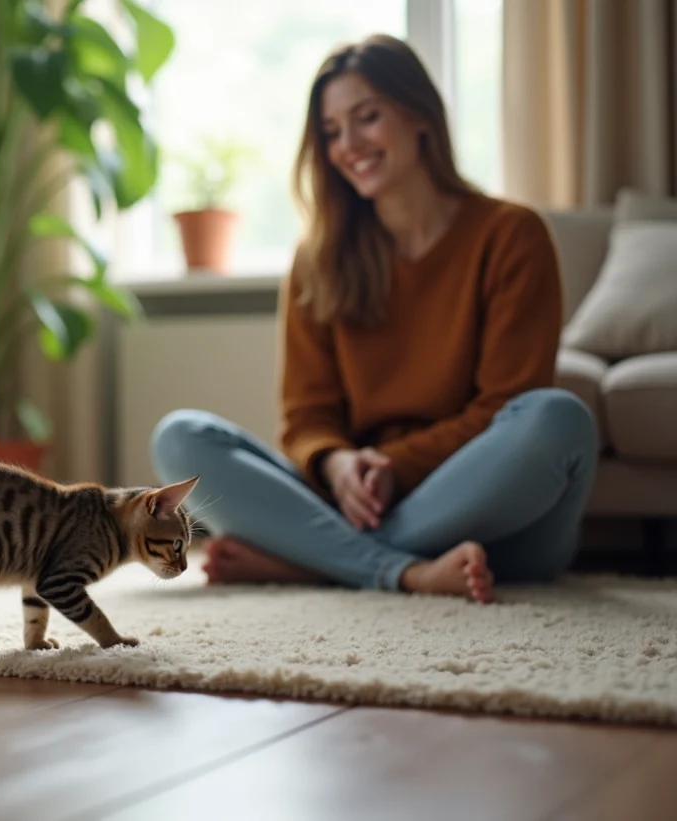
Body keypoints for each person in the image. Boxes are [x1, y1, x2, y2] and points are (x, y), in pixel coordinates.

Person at [149, 33, 597, 604]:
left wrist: (391, 467)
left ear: (419, 116)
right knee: (181, 437)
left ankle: (316, 562)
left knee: (559, 418)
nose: (348, 144)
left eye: (367, 118)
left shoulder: (512, 236)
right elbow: (307, 418)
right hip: (356, 500)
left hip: (494, 516)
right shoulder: (320, 258)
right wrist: (336, 464)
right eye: (332, 131)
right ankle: (402, 571)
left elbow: (504, 403)